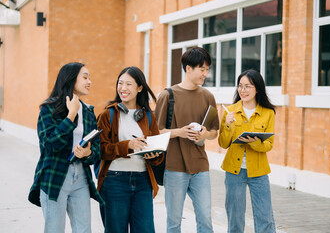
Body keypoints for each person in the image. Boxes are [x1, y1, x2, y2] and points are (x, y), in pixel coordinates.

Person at [28, 62, 103, 233]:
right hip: (55, 176)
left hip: (81, 178)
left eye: (89, 77)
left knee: (84, 229)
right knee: (54, 229)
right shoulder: (49, 109)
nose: (89, 81)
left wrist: (88, 153)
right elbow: (50, 145)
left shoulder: (89, 111)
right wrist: (70, 116)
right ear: (71, 79)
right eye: (85, 77)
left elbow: (96, 151)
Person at [155, 46, 219, 233]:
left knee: (206, 220)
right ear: (188, 68)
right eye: (202, 69)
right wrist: (179, 132)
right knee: (174, 222)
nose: (205, 74)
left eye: (207, 69)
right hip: (174, 167)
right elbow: (155, 132)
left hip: (200, 166)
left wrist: (205, 134)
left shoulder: (208, 96)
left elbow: (215, 131)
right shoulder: (167, 95)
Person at [97, 66, 163, 233]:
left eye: (128, 84)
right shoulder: (108, 114)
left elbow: (157, 153)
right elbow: (101, 150)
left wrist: (154, 154)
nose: (123, 88)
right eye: (120, 83)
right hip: (114, 181)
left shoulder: (148, 116)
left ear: (140, 88)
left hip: (143, 182)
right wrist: (128, 145)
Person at [218, 69, 276, 233]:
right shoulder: (230, 111)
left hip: (258, 171)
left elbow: (269, 144)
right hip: (233, 171)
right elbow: (223, 143)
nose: (243, 90)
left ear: (257, 88)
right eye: (240, 86)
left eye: (248, 86)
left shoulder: (268, 113)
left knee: (264, 216)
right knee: (235, 216)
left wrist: (255, 143)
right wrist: (228, 125)